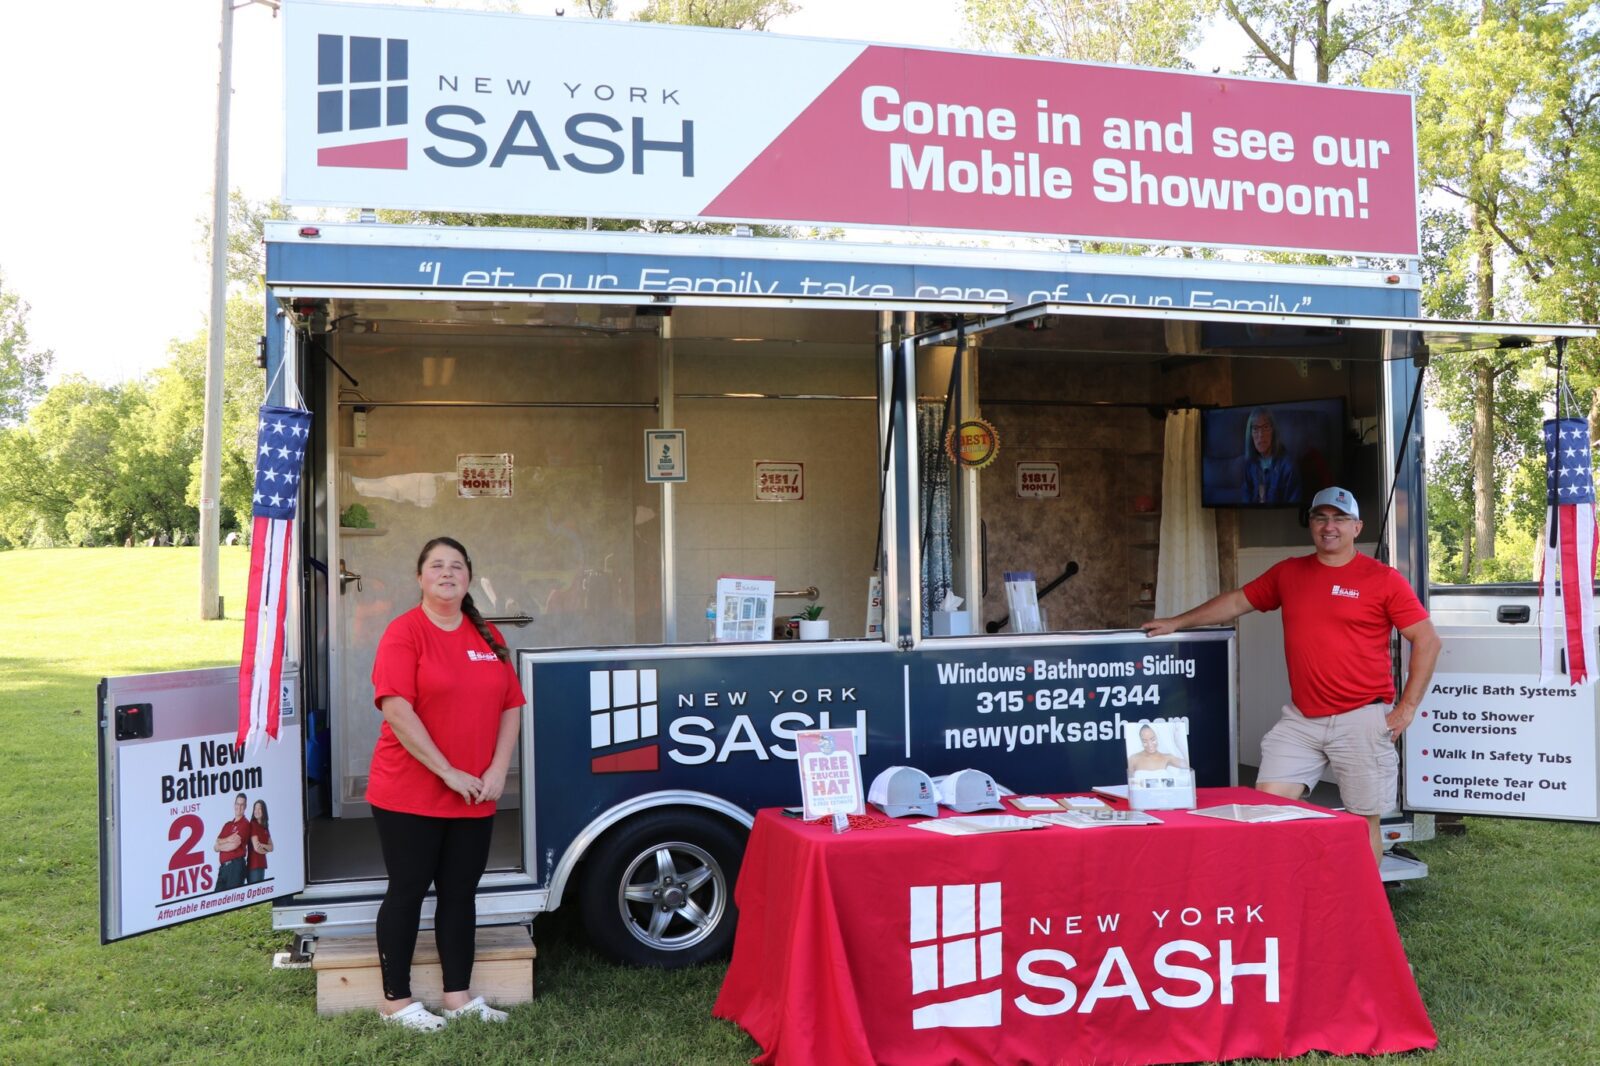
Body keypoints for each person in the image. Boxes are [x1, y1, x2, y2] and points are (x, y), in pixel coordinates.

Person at [1141, 486, 1441, 867]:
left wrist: (1407, 708)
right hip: (1302, 719)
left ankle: (1361, 913)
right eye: (1320, 518)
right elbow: (1236, 601)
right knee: (1267, 804)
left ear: (1356, 527)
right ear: (1311, 525)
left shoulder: (1382, 579)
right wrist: (1177, 621)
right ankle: (1290, 889)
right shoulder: (1290, 572)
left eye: (1339, 519)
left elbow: (1427, 641)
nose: (1329, 526)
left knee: (1363, 819)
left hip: (1361, 718)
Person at [367, 537, 525, 1031]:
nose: (447, 572)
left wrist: (499, 770)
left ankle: (458, 997)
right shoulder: (404, 632)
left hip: (475, 793)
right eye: (436, 565)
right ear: (420, 578)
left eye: (457, 566)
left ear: (469, 579)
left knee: (460, 893)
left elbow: (511, 707)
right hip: (409, 792)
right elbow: (397, 708)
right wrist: (448, 772)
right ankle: (396, 1003)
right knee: (409, 889)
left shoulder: (488, 635)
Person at [1240, 407, 1303, 505]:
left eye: (1265, 427)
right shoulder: (1249, 464)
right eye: (1255, 429)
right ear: (1250, 434)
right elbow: (1245, 500)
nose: (1261, 435)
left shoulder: (1289, 466)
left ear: (1273, 431)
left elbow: (1294, 505)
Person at [213, 793, 250, 891]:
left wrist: (221, 844)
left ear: (245, 806)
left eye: (242, 805)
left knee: (233, 900)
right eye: (237, 804)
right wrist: (228, 839)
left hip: (235, 867)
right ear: (234, 805)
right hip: (223, 868)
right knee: (217, 900)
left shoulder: (245, 824)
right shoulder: (227, 825)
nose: (239, 807)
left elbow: (234, 845)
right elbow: (215, 845)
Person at [246, 799, 272, 884]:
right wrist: (266, 848)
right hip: (254, 866)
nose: (256, 811)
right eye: (255, 808)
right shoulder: (253, 825)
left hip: (262, 865)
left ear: (264, 810)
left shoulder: (265, 827)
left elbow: (272, 847)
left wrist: (262, 845)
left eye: (259, 808)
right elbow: (257, 848)